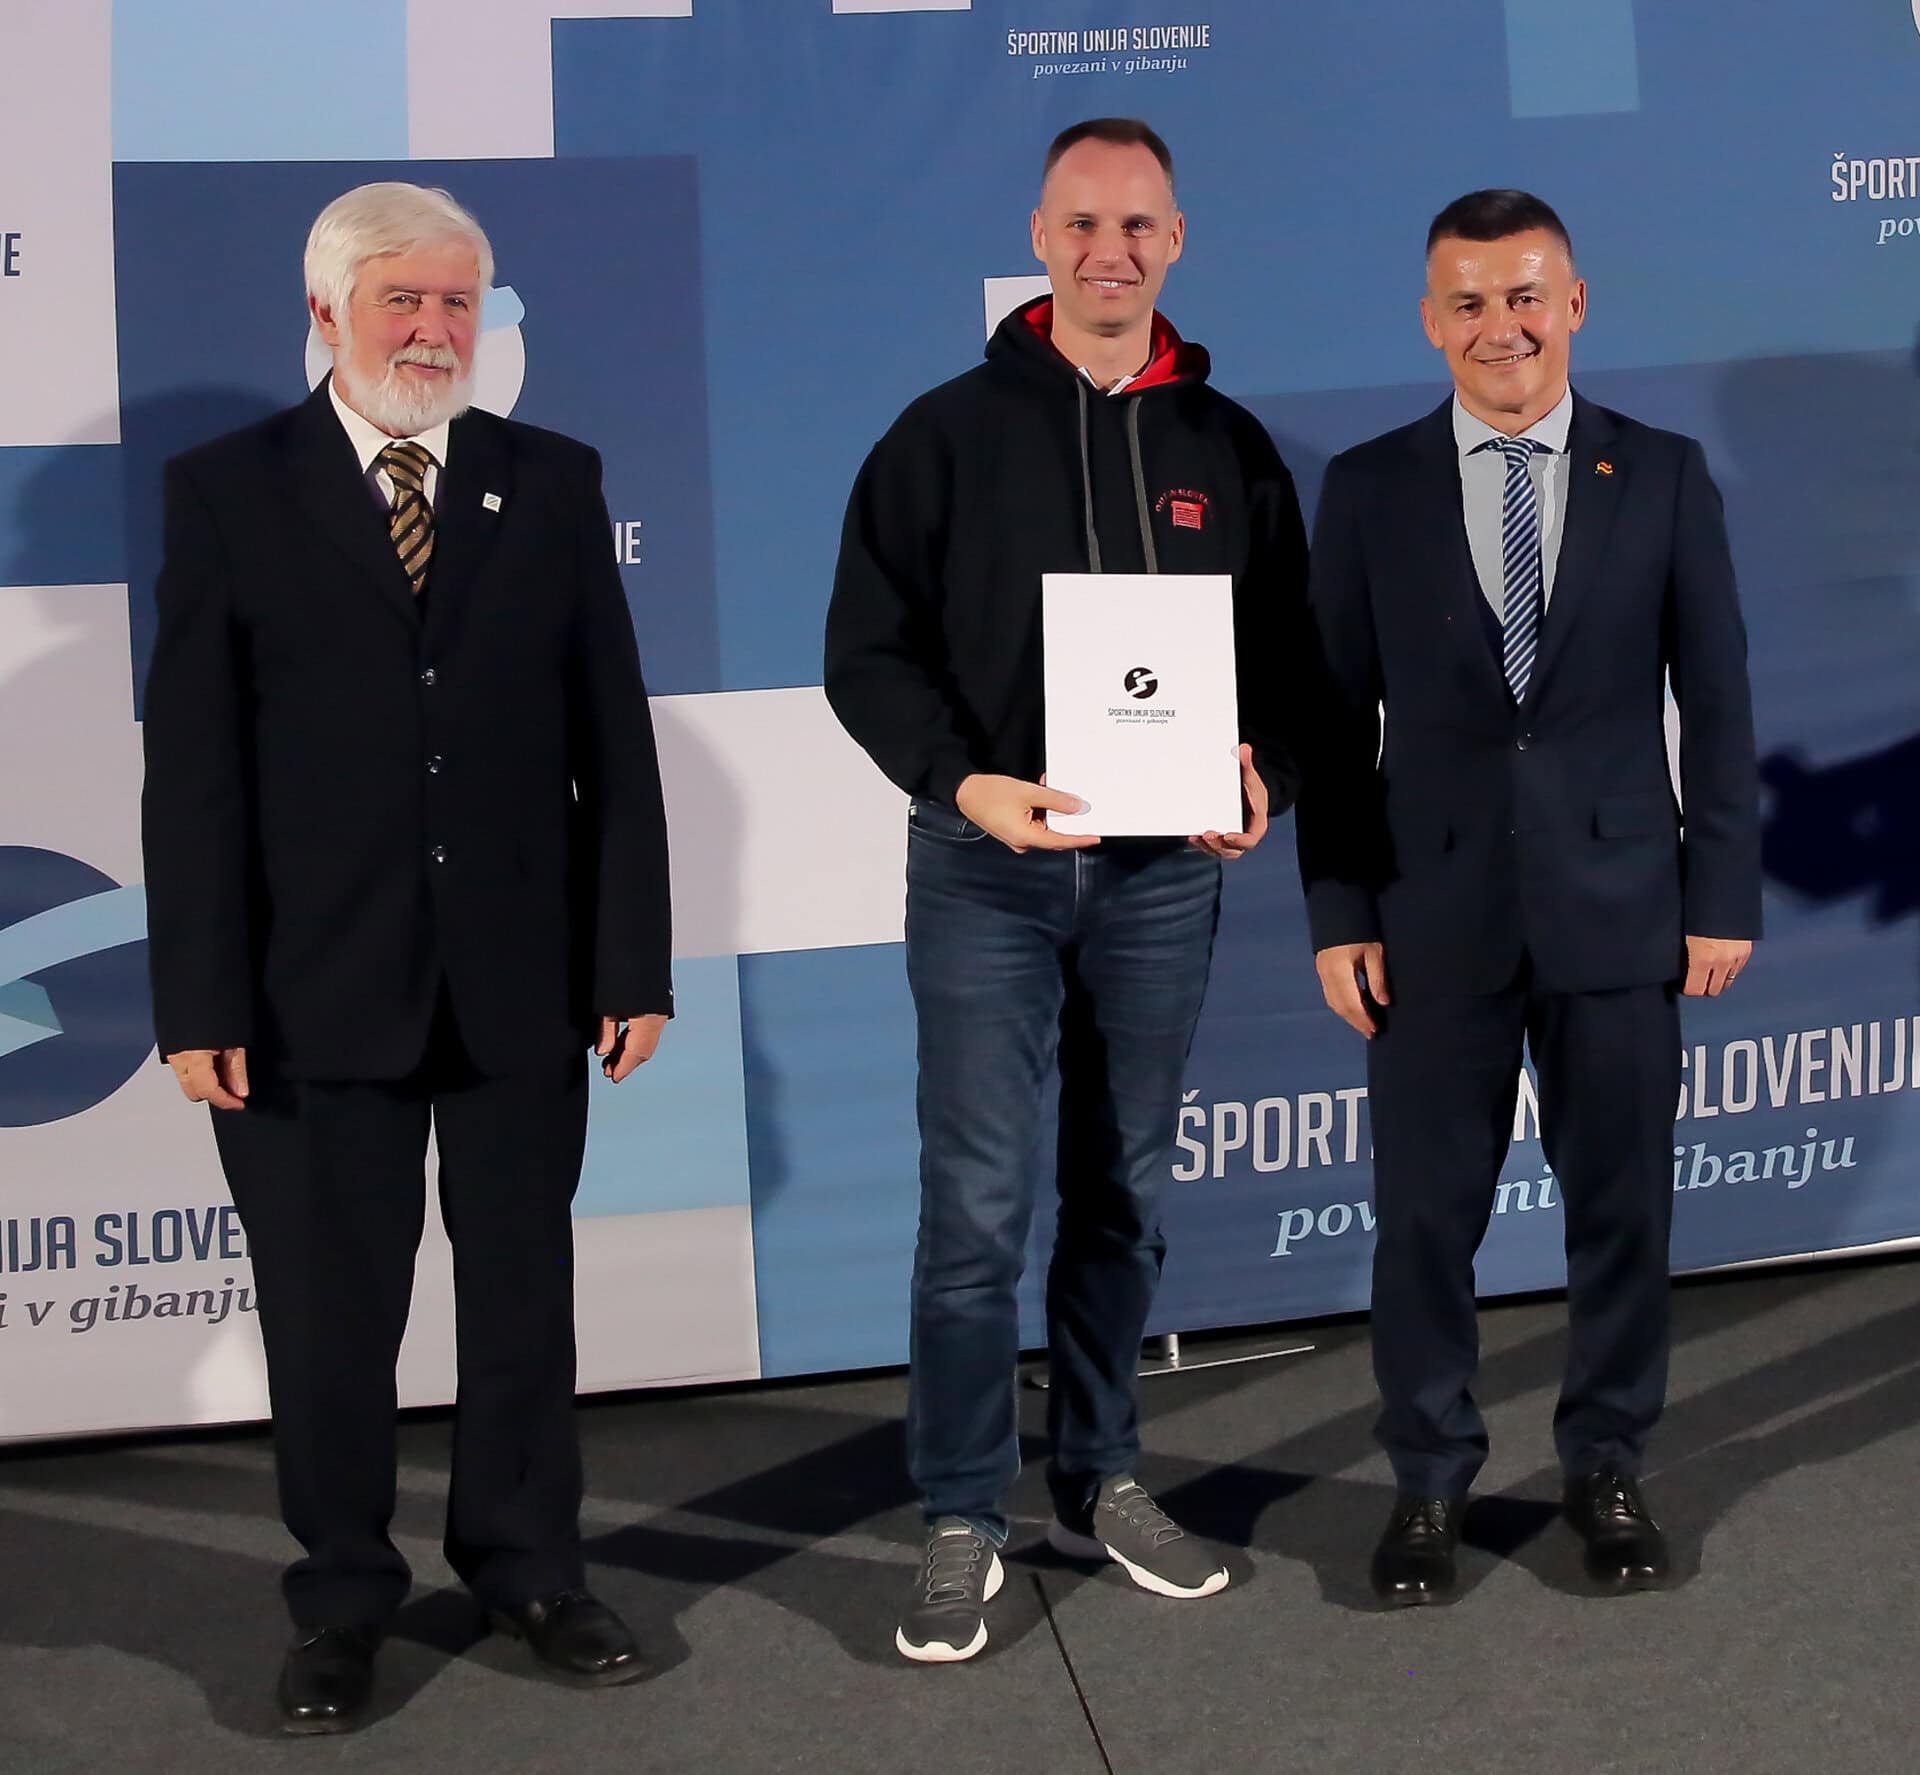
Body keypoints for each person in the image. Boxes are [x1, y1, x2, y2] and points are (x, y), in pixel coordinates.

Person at [141, 181, 673, 1731]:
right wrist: (199, 998)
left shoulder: (550, 480)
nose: (436, 330)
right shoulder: (227, 491)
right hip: (302, 994)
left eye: (458, 302)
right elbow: (195, 771)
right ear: (328, 312)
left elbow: (612, 745)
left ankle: (531, 1570)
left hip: (521, 982)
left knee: (521, 1299)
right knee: (328, 1318)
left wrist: (629, 964)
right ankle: (340, 1598)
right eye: (404, 301)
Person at [825, 118, 1309, 1662]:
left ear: (1179, 240)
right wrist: (961, 782)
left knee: (1123, 1193)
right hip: (989, 873)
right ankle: (962, 1515)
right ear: (1040, 237)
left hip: (1165, 883)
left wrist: (1266, 773)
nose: (1114, 250)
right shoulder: (942, 436)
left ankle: (1102, 1479)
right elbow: (864, 654)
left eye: (1141, 224)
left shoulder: (1228, 445)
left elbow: (1291, 658)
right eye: (1085, 223)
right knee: (976, 1207)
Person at [1296, 189, 1760, 1605]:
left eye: (1525, 296)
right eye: (1470, 303)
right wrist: (1339, 911)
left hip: (1622, 905)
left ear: (1574, 305)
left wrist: (1722, 893)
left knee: (1622, 1210)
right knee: (1424, 1220)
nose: (1500, 326)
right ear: (1431, 321)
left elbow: (1719, 701)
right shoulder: (1368, 487)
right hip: (1427, 915)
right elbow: (1332, 725)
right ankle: (1428, 1479)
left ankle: (1606, 1466)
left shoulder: (1662, 473)